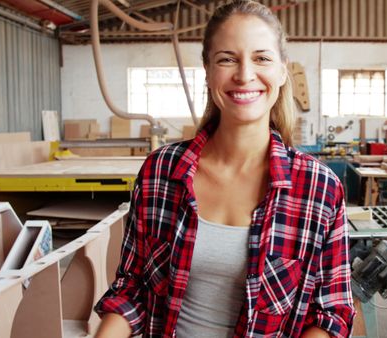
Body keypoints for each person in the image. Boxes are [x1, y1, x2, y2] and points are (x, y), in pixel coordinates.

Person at [94, 1, 355, 337]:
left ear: (282, 69)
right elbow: (132, 289)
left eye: (261, 58)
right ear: (207, 69)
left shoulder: (319, 188)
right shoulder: (160, 172)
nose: (244, 75)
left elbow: (331, 314)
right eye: (227, 59)